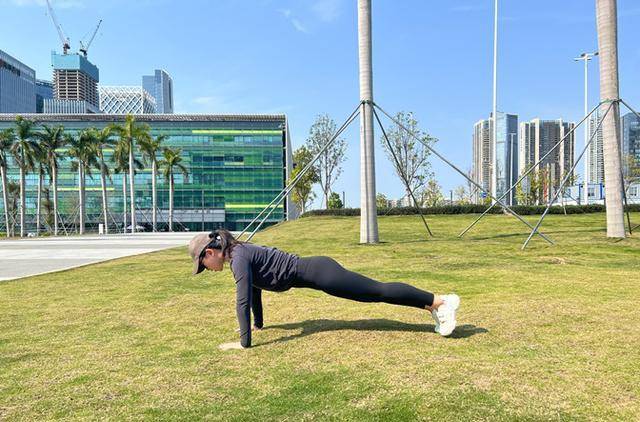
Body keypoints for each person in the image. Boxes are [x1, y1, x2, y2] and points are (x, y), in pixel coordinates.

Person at [189, 229, 460, 350]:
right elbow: (255, 291)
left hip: (320, 272)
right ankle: (432, 306)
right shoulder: (239, 254)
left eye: (204, 265)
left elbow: (242, 300)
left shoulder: (238, 257)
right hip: (316, 273)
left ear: (210, 252)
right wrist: (259, 325)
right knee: (375, 293)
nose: (208, 270)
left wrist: (244, 342)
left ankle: (439, 301)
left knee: (377, 291)